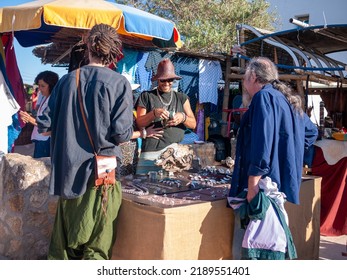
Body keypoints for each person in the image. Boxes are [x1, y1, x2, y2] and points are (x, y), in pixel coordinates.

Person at [37, 23, 134, 260]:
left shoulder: (66, 81)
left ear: (88, 46)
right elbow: (122, 135)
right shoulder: (120, 83)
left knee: (64, 247)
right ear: (113, 52)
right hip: (103, 175)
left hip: (68, 174)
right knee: (97, 246)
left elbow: (44, 126)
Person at [227, 57, 317, 260]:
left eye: (244, 78)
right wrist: (287, 155)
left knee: (257, 250)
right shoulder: (285, 100)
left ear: (252, 76)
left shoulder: (263, 98)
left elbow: (262, 145)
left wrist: (252, 185)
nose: (243, 83)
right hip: (275, 185)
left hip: (263, 188)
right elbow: (310, 133)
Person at [135, 58, 196, 174]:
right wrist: (153, 114)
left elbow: (193, 124)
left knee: (173, 189)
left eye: (170, 80)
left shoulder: (181, 98)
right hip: (151, 152)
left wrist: (182, 117)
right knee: (146, 187)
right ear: (158, 79)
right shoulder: (146, 96)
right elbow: (139, 122)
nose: (167, 83)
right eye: (163, 80)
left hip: (175, 155)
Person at [19, 71, 59, 158]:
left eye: (43, 86)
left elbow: (47, 124)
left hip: (45, 140)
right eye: (39, 85)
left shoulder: (54, 100)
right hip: (40, 138)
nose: (39, 89)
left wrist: (30, 119)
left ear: (52, 85)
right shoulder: (46, 97)